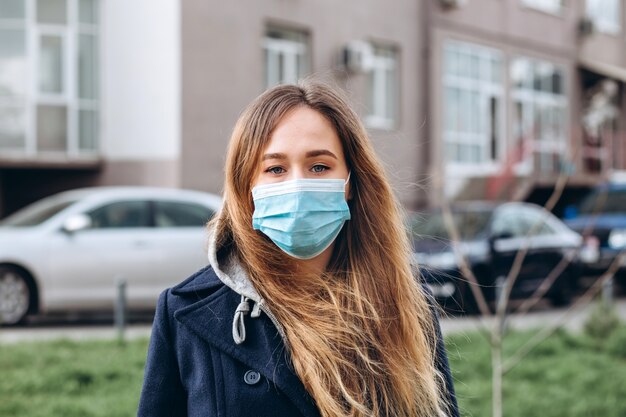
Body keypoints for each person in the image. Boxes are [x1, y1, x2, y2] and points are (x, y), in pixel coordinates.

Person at [137, 82, 459, 417]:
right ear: (247, 187)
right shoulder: (184, 313)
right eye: (275, 169)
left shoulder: (403, 305)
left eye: (319, 166)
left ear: (351, 182)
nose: (297, 185)